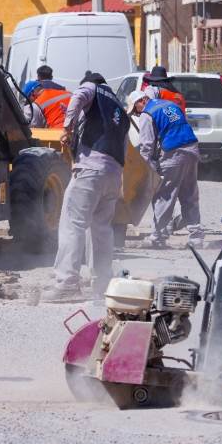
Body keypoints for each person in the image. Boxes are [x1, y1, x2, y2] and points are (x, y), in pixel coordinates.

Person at [42, 71, 130, 302]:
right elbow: (124, 150)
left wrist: (68, 127)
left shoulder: (92, 88)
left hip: (90, 170)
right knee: (101, 229)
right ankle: (102, 285)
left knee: (72, 224)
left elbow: (79, 95)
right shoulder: (120, 109)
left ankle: (67, 283)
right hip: (113, 175)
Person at [126, 90, 204, 249]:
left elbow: (147, 146)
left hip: (173, 154)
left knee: (164, 195)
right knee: (189, 194)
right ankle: (196, 237)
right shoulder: (170, 105)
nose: (137, 113)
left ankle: (157, 237)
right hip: (192, 150)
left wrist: (144, 170)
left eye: (135, 110)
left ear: (141, 101)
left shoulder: (148, 114)